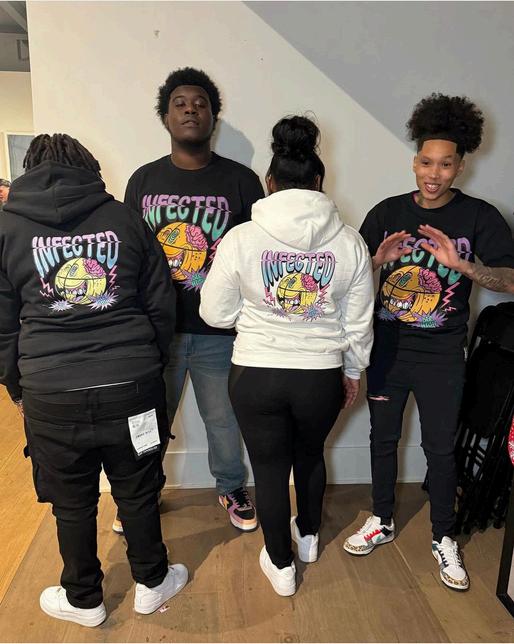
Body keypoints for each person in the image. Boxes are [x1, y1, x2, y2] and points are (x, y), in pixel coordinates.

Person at [0, 134, 188, 627]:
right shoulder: (126, 219)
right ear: (89, 167)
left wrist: (17, 386)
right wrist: (149, 362)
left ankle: (84, 599)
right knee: (138, 489)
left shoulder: (6, 228)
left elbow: (2, 325)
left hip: (50, 390)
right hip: (131, 383)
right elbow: (160, 302)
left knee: (71, 501)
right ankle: (152, 582)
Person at [344, 93, 514, 591]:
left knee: (440, 448)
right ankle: (381, 518)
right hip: (388, 349)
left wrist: (463, 266)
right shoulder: (387, 212)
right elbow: (347, 279)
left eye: (444, 164)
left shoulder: (479, 216)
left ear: (461, 166)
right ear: (414, 161)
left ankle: (443, 536)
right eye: (425, 162)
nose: (433, 174)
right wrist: (375, 262)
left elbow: (510, 279)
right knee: (382, 438)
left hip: (442, 353)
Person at [200, 115, 375, 596]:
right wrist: (353, 370)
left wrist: (258, 315)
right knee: (310, 455)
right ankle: (310, 538)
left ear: (269, 182)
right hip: (320, 375)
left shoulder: (241, 238)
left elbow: (214, 312)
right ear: (319, 182)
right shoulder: (350, 242)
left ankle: (281, 567)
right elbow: (359, 322)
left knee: (270, 468)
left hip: (255, 373)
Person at [124, 67, 264, 534]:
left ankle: (231, 486)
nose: (190, 110)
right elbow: (130, 254)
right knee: (150, 418)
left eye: (200, 104)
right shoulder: (143, 180)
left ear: (213, 118)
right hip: (155, 330)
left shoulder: (242, 181)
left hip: (219, 330)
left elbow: (256, 255)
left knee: (223, 419)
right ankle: (142, 493)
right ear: (165, 117)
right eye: (180, 103)